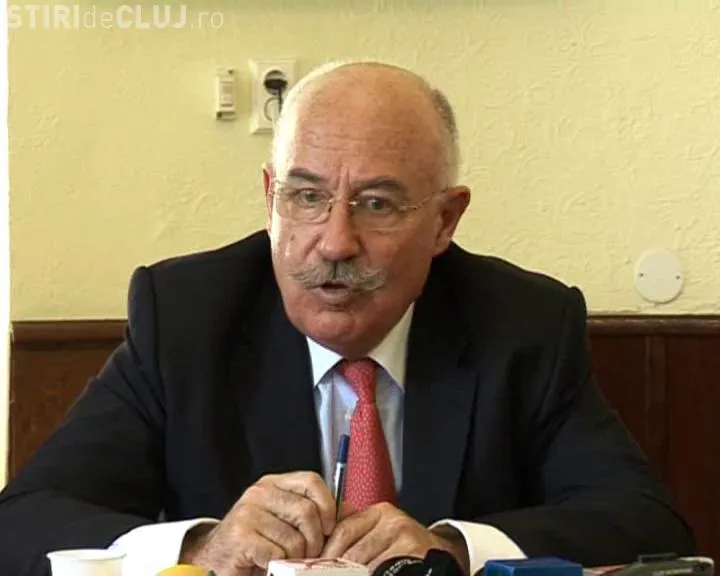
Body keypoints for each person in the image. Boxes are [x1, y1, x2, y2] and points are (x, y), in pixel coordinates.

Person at [0, 61, 693, 576]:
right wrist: (203, 547)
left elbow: (645, 524)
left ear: (445, 220)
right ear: (270, 197)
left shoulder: (523, 325)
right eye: (306, 197)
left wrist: (452, 550)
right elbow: (25, 521)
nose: (334, 243)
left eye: (378, 204)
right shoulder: (186, 317)